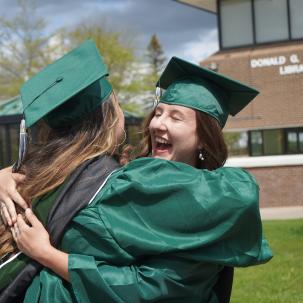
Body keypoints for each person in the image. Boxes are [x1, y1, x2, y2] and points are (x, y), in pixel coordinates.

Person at [0, 51, 272, 303]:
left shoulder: (206, 213)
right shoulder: (128, 176)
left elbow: (150, 288)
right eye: (158, 113)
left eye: (176, 118)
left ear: (204, 138)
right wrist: (9, 174)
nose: (157, 124)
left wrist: (48, 255)